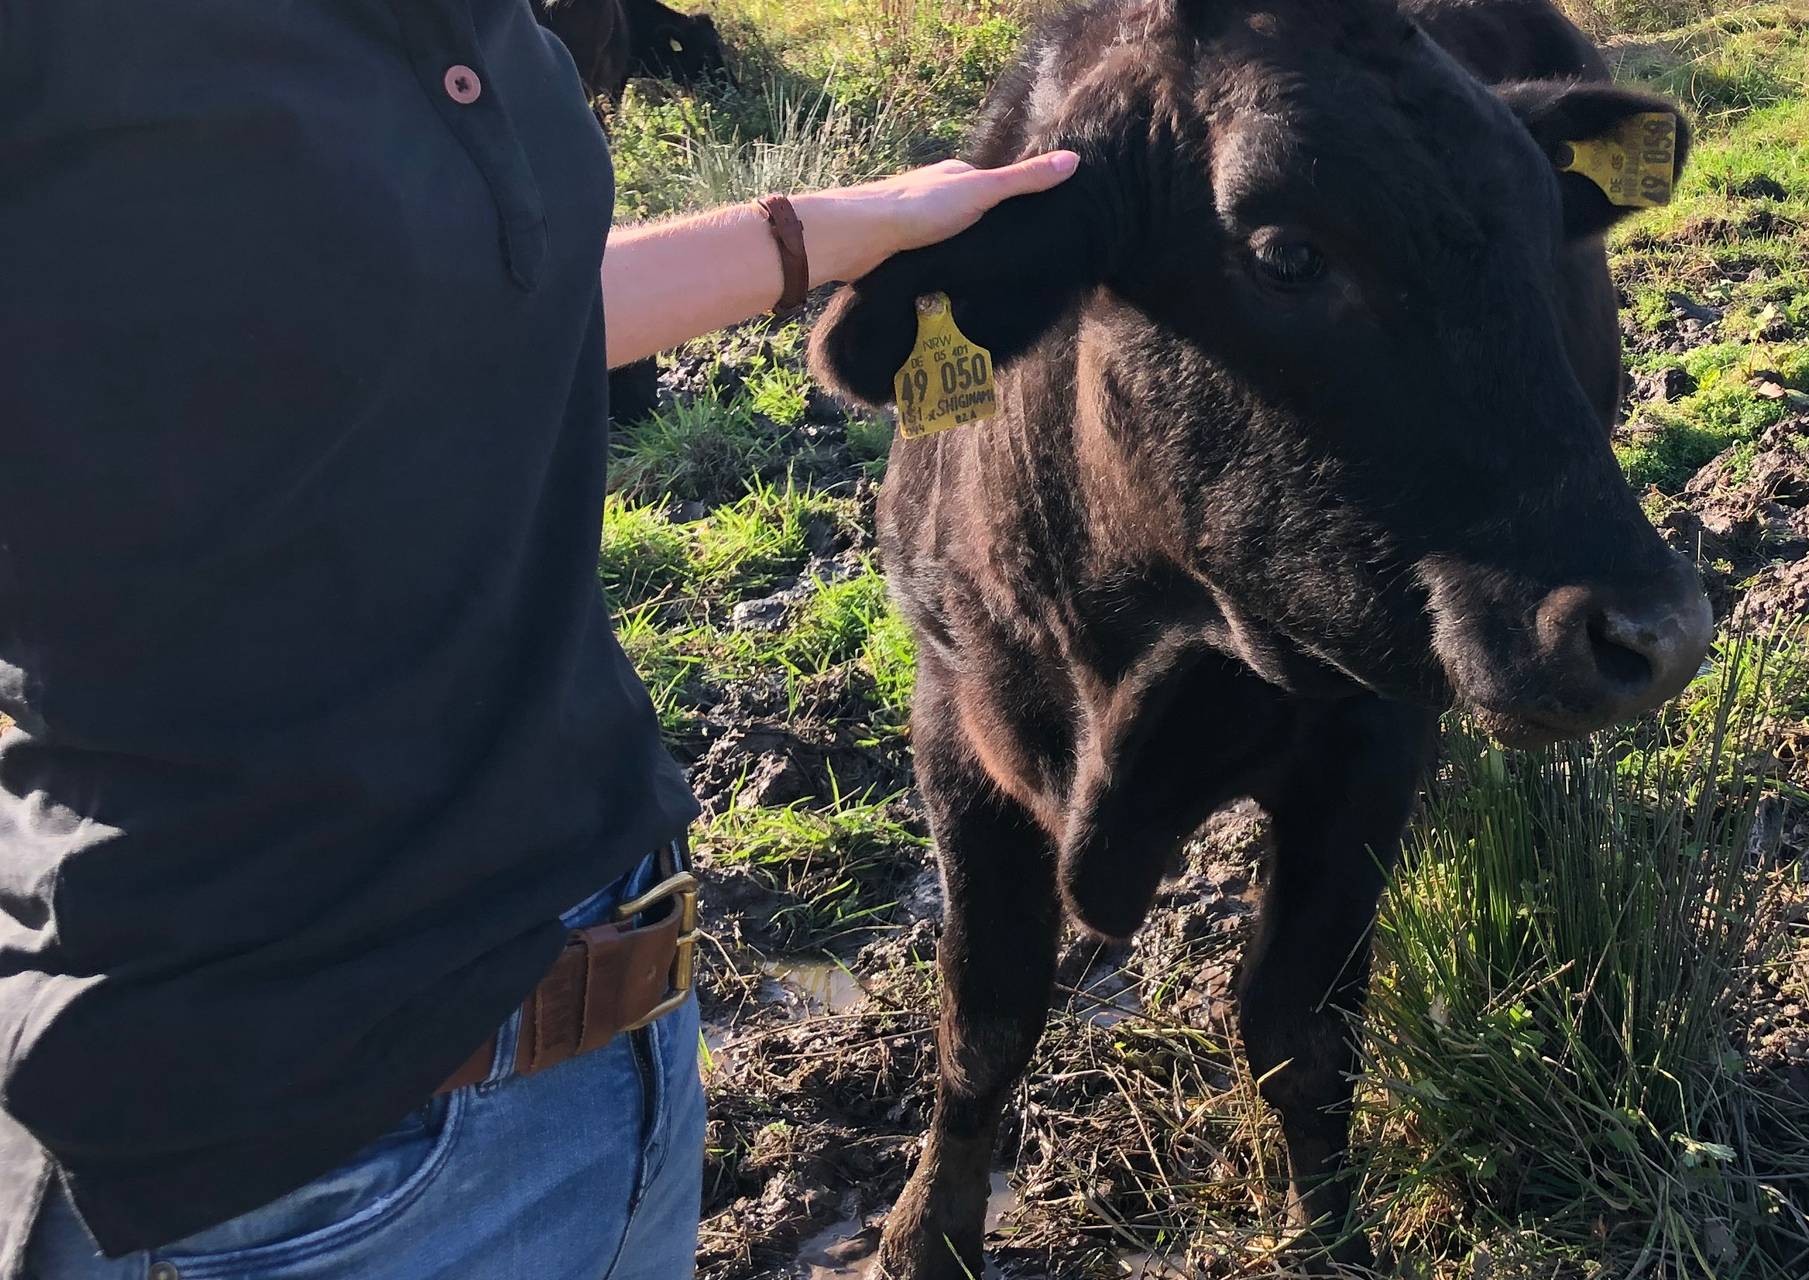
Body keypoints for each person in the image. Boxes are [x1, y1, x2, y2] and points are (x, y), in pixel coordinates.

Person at [0, 2, 1074, 1276]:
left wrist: (840, 226)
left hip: (620, 1055)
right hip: (300, 1161)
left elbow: (480, 297)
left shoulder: (482, 24)